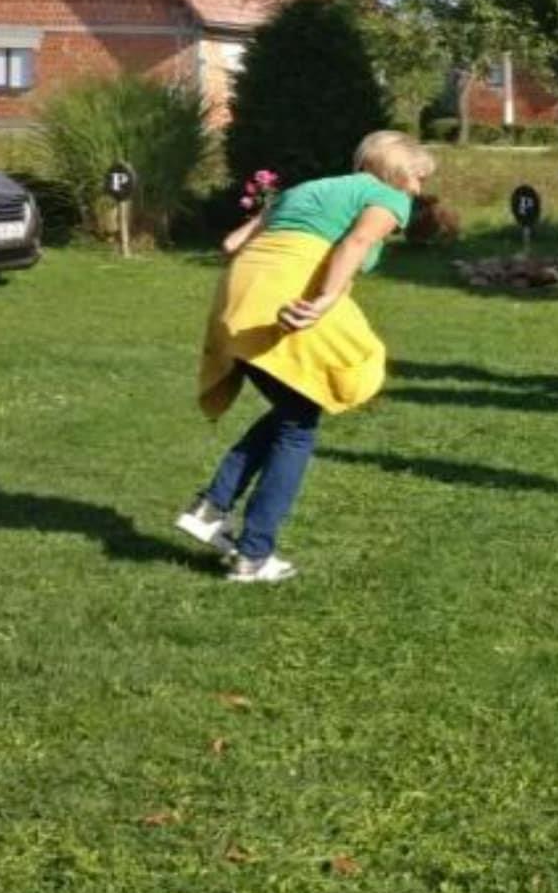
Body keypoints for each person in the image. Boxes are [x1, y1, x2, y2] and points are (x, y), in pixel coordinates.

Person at [176, 131, 434, 582]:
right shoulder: (388, 197)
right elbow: (356, 244)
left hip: (238, 295)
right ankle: (253, 554)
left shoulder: (307, 189)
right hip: (286, 297)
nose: (419, 188)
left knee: (293, 409)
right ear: (397, 172)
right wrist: (325, 298)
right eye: (418, 177)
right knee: (299, 425)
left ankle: (211, 508)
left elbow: (233, 243)